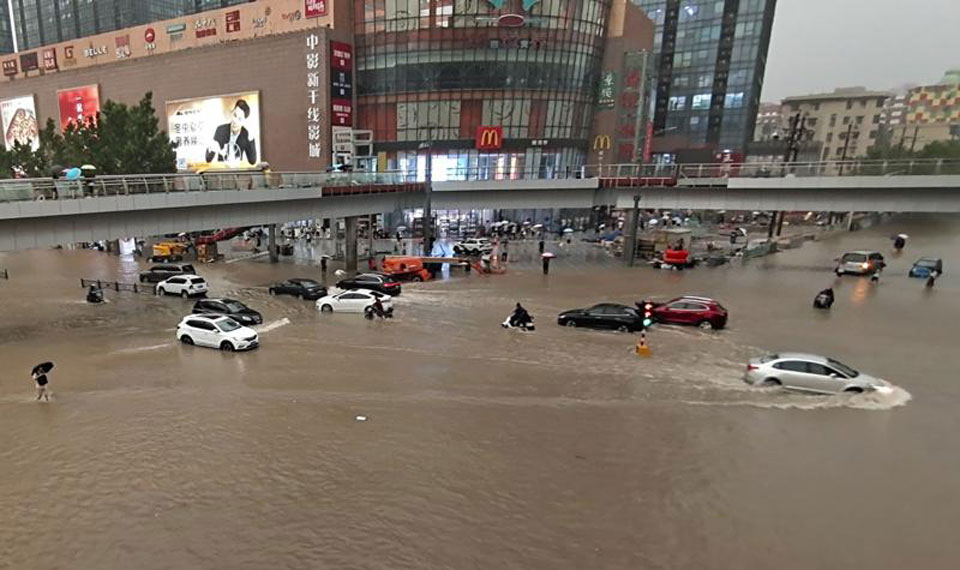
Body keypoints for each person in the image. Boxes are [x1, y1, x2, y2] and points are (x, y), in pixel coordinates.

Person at [205, 99, 258, 166]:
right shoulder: (220, 130)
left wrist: (251, 138)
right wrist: (211, 147)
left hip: (237, 174)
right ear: (232, 113)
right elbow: (208, 159)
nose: (235, 121)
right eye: (235, 115)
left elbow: (252, 161)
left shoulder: (246, 134)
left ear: (244, 121)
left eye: (240, 119)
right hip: (221, 172)